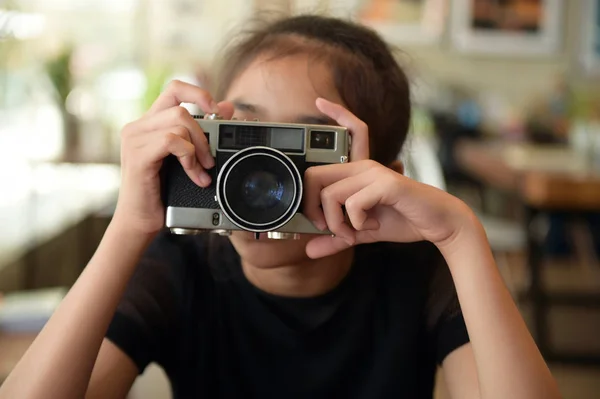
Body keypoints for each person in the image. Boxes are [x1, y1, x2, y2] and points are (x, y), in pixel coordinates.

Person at [0, 14, 560, 399]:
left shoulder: (417, 277)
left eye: (306, 146)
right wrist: (129, 227)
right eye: (244, 138)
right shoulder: (184, 267)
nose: (263, 176)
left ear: (381, 181)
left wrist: (462, 238)